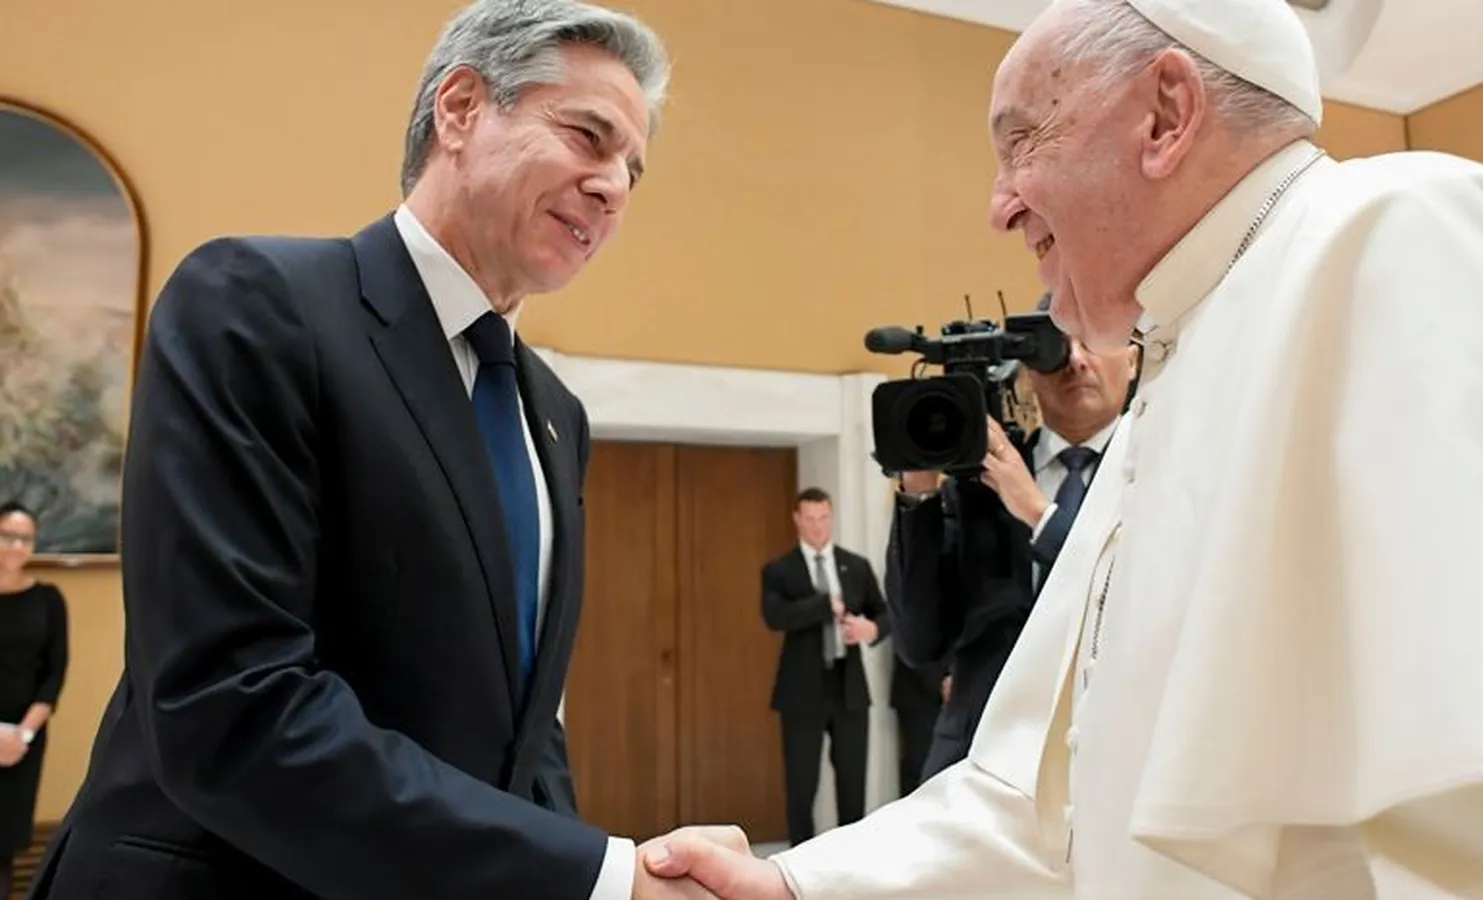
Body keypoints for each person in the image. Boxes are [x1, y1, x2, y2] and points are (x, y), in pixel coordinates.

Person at [641, 0, 1483, 897]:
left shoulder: (1400, 235)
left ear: (1166, 115)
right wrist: (795, 883)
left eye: (1021, 143)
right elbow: (1048, 805)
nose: (998, 206)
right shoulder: (1170, 378)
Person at [26, 3, 739, 899]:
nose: (613, 188)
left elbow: (528, 734)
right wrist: (603, 876)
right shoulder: (257, 304)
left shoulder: (557, 416)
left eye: (632, 169)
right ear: (461, 108)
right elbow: (232, 704)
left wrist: (579, 876)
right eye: (588, 136)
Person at [889, 292, 1135, 782]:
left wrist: (1040, 514)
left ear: (1131, 359)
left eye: (1091, 342)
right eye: (1055, 348)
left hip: (1109, 754)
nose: (1076, 361)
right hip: (978, 758)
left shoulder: (1155, 472)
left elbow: (1132, 600)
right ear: (1027, 371)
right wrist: (919, 491)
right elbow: (919, 641)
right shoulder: (980, 480)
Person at [760, 488, 888, 846]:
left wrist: (871, 629)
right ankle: (799, 858)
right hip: (802, 691)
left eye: (824, 518)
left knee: (853, 781)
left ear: (832, 518)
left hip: (849, 688)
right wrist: (822, 605)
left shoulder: (856, 566)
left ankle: (851, 857)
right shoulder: (780, 570)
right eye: (811, 519)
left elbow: (885, 614)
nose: (818, 526)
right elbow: (775, 616)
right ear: (797, 520)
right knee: (801, 785)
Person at [0, 502, 67, 899]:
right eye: (8, 536)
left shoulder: (48, 599)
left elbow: (54, 675)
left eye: (25, 539)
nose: (16, 546)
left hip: (21, 745)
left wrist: (21, 736)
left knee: (4, 846)